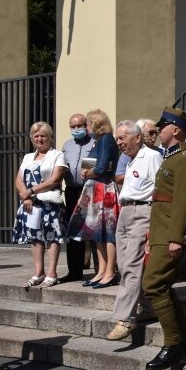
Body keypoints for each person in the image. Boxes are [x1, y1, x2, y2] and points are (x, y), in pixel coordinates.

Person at [142, 107, 186, 370]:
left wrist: (177, 237)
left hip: (171, 234)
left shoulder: (185, 160)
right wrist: (152, 235)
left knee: (153, 284)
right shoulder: (171, 158)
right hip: (161, 232)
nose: (158, 130)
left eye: (162, 126)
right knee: (161, 285)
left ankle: (173, 344)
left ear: (175, 130)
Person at [106, 121, 161, 340]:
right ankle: (150, 307)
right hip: (126, 211)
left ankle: (125, 318)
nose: (119, 143)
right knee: (124, 264)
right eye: (117, 139)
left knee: (131, 265)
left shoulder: (152, 157)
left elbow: (159, 191)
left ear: (137, 137)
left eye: (122, 138)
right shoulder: (129, 160)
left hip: (143, 212)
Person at [67, 109, 120, 289]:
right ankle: (101, 271)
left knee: (108, 233)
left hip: (104, 189)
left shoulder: (106, 139)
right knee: (98, 233)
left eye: (88, 123)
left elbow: (102, 167)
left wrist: (87, 172)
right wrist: (88, 171)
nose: (86, 127)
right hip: (96, 189)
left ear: (96, 123)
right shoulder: (99, 141)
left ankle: (110, 271)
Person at [13, 122, 68, 289]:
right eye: (36, 136)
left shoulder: (57, 155)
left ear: (50, 137)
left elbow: (54, 180)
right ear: (32, 139)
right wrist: (26, 197)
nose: (39, 138)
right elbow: (19, 179)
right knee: (35, 238)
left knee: (52, 237)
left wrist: (30, 192)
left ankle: (52, 273)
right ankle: (38, 272)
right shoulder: (28, 157)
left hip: (49, 202)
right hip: (31, 204)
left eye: (43, 135)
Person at [61, 113, 93, 282]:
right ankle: (74, 271)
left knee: (92, 230)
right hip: (72, 191)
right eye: (72, 127)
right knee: (73, 231)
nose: (76, 129)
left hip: (89, 191)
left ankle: (100, 270)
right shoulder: (67, 145)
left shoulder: (94, 143)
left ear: (86, 125)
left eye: (79, 126)